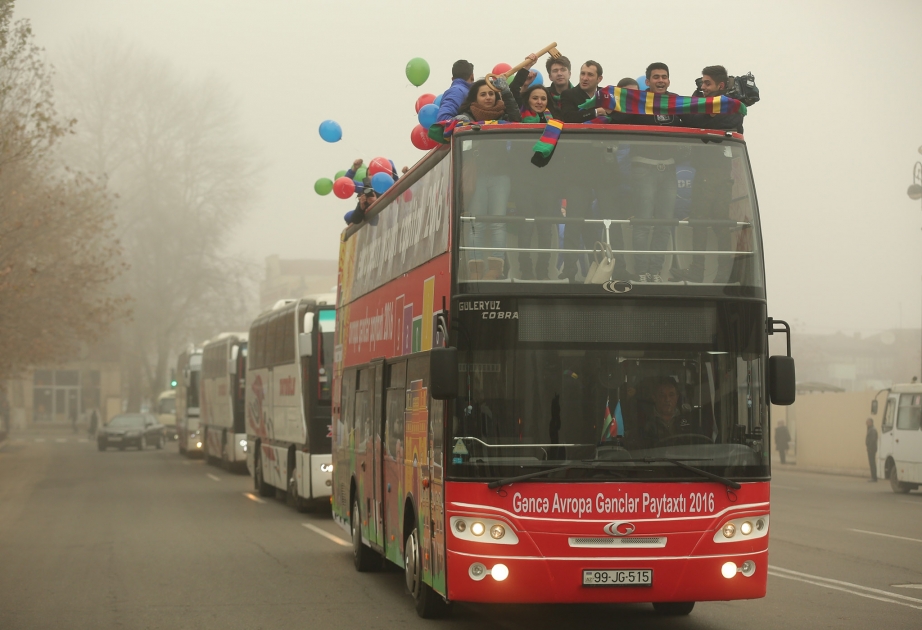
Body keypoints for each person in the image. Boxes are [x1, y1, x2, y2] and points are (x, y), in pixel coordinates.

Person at [673, 65, 745, 284]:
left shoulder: (732, 107)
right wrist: (704, 109)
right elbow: (688, 119)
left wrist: (705, 117)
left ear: (720, 86)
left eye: (707, 83)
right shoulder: (702, 104)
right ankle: (716, 271)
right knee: (709, 222)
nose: (703, 87)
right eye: (702, 82)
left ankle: (712, 271)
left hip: (715, 172)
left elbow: (729, 124)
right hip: (707, 171)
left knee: (710, 222)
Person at [459, 77, 521, 280]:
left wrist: (507, 93)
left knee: (497, 222)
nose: (488, 97)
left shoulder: (504, 115)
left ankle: (496, 268)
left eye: (491, 94)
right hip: (478, 176)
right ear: (475, 98)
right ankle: (475, 270)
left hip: (501, 175)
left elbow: (517, 119)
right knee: (477, 224)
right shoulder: (467, 117)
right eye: (483, 94)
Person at [630, 62, 682, 282]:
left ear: (669, 80)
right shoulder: (637, 101)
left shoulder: (677, 102)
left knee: (665, 224)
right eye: (656, 77)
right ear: (647, 81)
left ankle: (655, 272)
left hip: (669, 168)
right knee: (643, 222)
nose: (661, 80)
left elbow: (696, 117)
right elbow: (618, 117)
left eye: (664, 77)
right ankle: (641, 272)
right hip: (643, 167)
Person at [509, 53, 573, 118]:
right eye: (555, 71)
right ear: (550, 76)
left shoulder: (577, 95)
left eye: (563, 70)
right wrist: (526, 67)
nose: (559, 73)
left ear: (570, 74)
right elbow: (514, 96)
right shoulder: (543, 93)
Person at [865, 417, 878, 482]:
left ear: (871, 422)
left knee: (872, 463)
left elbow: (873, 440)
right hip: (871, 448)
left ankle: (874, 477)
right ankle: (873, 476)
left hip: (871, 449)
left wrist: (870, 447)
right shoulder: (870, 429)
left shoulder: (872, 430)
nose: (866, 424)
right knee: (871, 463)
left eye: (867, 422)